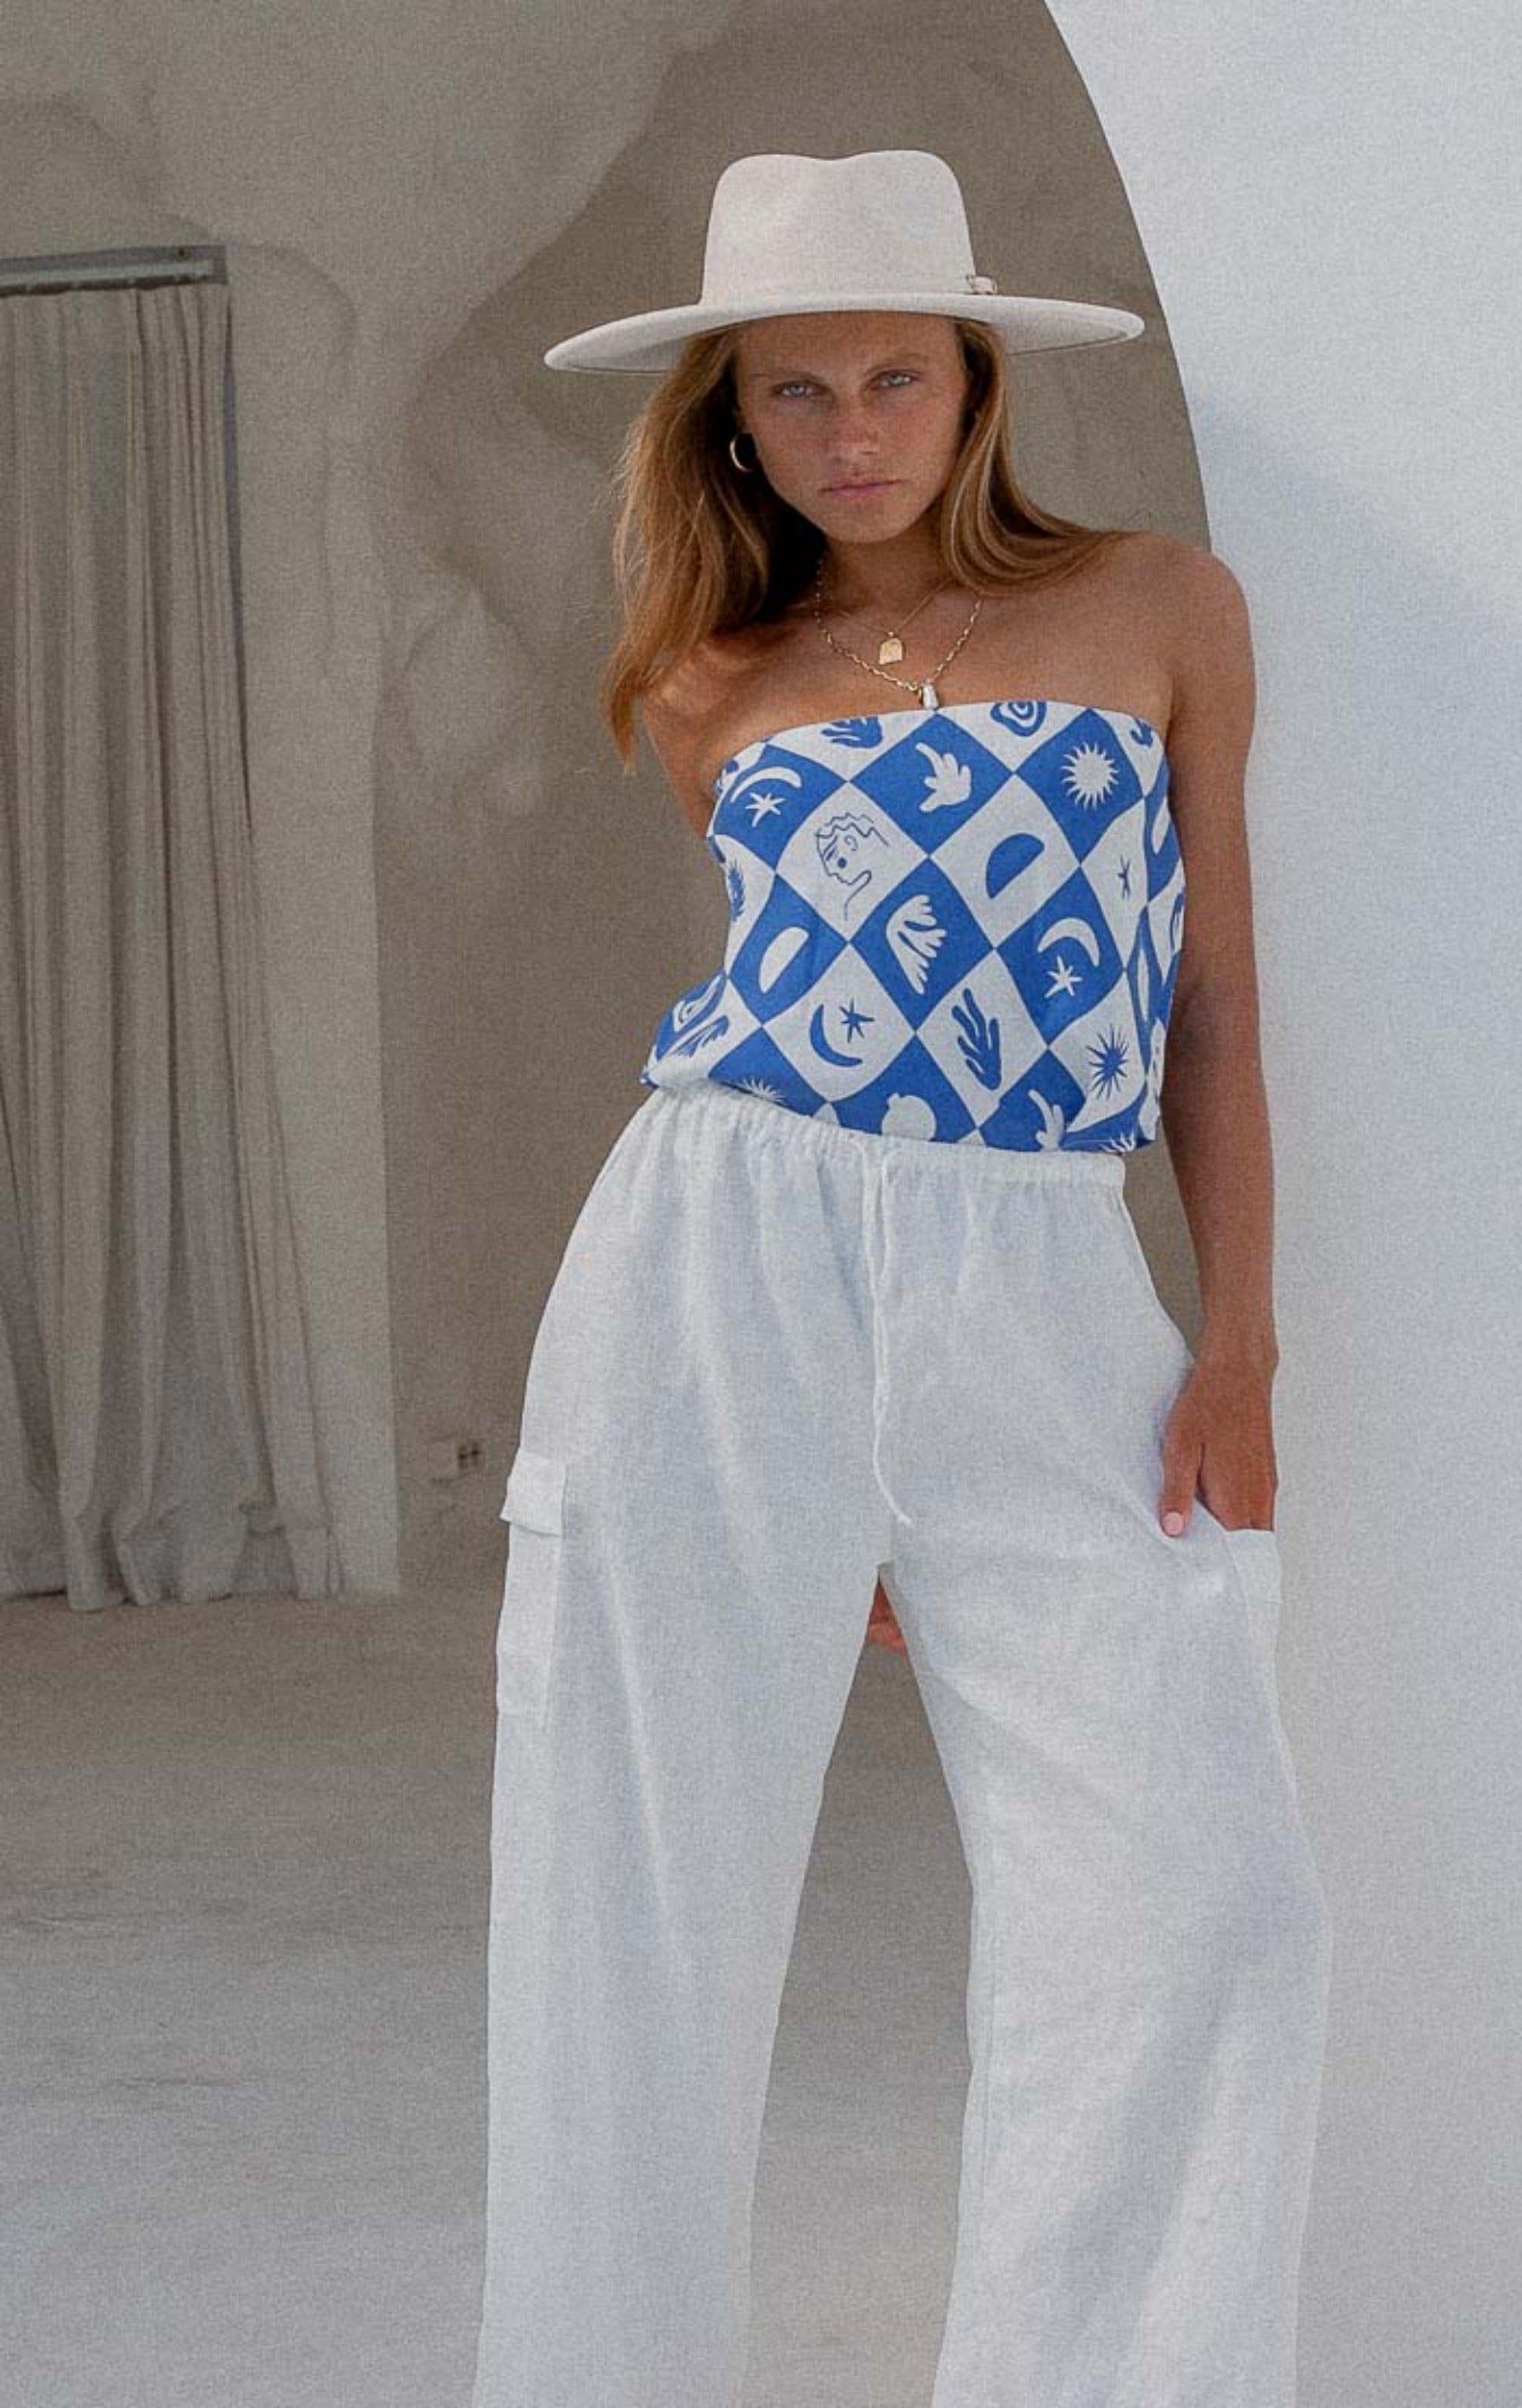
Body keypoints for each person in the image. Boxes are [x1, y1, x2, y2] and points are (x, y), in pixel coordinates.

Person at [470, 148, 1333, 2408]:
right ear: (731, 423)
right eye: (796, 390)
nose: (852, 430)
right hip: (715, 1267)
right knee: (626, 1884)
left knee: (1203, 1901)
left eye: (895, 379)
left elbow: (1211, 1002)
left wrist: (1237, 1337)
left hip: (1041, 1269)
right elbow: (790, 1019)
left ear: (973, 388)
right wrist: (833, 1452)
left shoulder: (1160, 605)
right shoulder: (708, 681)